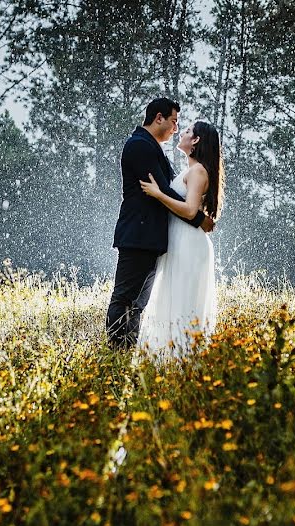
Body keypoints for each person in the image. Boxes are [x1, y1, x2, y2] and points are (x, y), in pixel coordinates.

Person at [105, 98, 215, 350]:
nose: (176, 128)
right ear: (158, 118)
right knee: (125, 298)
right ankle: (117, 351)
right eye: (174, 121)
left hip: (150, 238)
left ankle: (125, 350)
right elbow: (163, 190)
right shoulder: (139, 146)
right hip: (138, 235)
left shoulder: (151, 147)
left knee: (137, 303)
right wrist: (199, 219)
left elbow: (166, 192)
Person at [136, 120, 223, 358]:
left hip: (189, 244)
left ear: (195, 141)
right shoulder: (190, 170)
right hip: (180, 240)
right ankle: (169, 358)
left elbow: (189, 210)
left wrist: (158, 194)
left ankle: (182, 359)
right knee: (171, 297)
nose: (180, 132)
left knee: (182, 301)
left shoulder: (198, 171)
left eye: (186, 131)